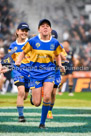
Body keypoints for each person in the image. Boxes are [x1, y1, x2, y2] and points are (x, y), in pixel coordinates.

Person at [15, 19, 65, 128]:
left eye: (47, 26)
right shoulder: (33, 41)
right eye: (43, 26)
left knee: (47, 97)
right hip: (35, 73)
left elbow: (57, 55)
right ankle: (34, 95)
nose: (45, 27)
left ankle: (42, 123)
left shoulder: (55, 42)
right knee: (37, 103)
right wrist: (18, 61)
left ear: (50, 29)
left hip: (49, 72)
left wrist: (60, 64)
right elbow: (23, 52)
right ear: (39, 29)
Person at [1, 22, 31, 122]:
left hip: (30, 73)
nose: (24, 32)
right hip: (18, 72)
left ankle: (31, 96)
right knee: (21, 92)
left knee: (25, 95)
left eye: (26, 31)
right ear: (17, 31)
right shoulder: (12, 45)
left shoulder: (31, 43)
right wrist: (6, 67)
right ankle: (21, 116)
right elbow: (11, 60)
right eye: (22, 30)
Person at [47, 30, 67, 119]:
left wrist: (58, 56)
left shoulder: (60, 46)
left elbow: (64, 58)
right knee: (47, 92)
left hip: (56, 72)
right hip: (45, 71)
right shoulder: (44, 44)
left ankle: (50, 111)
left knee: (53, 93)